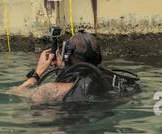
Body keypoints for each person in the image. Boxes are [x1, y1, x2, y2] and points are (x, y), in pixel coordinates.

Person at [11, 31, 140, 105]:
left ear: (67, 56)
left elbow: (13, 94)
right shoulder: (113, 81)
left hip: (66, 128)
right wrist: (64, 67)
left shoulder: (50, 90)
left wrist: (37, 74)